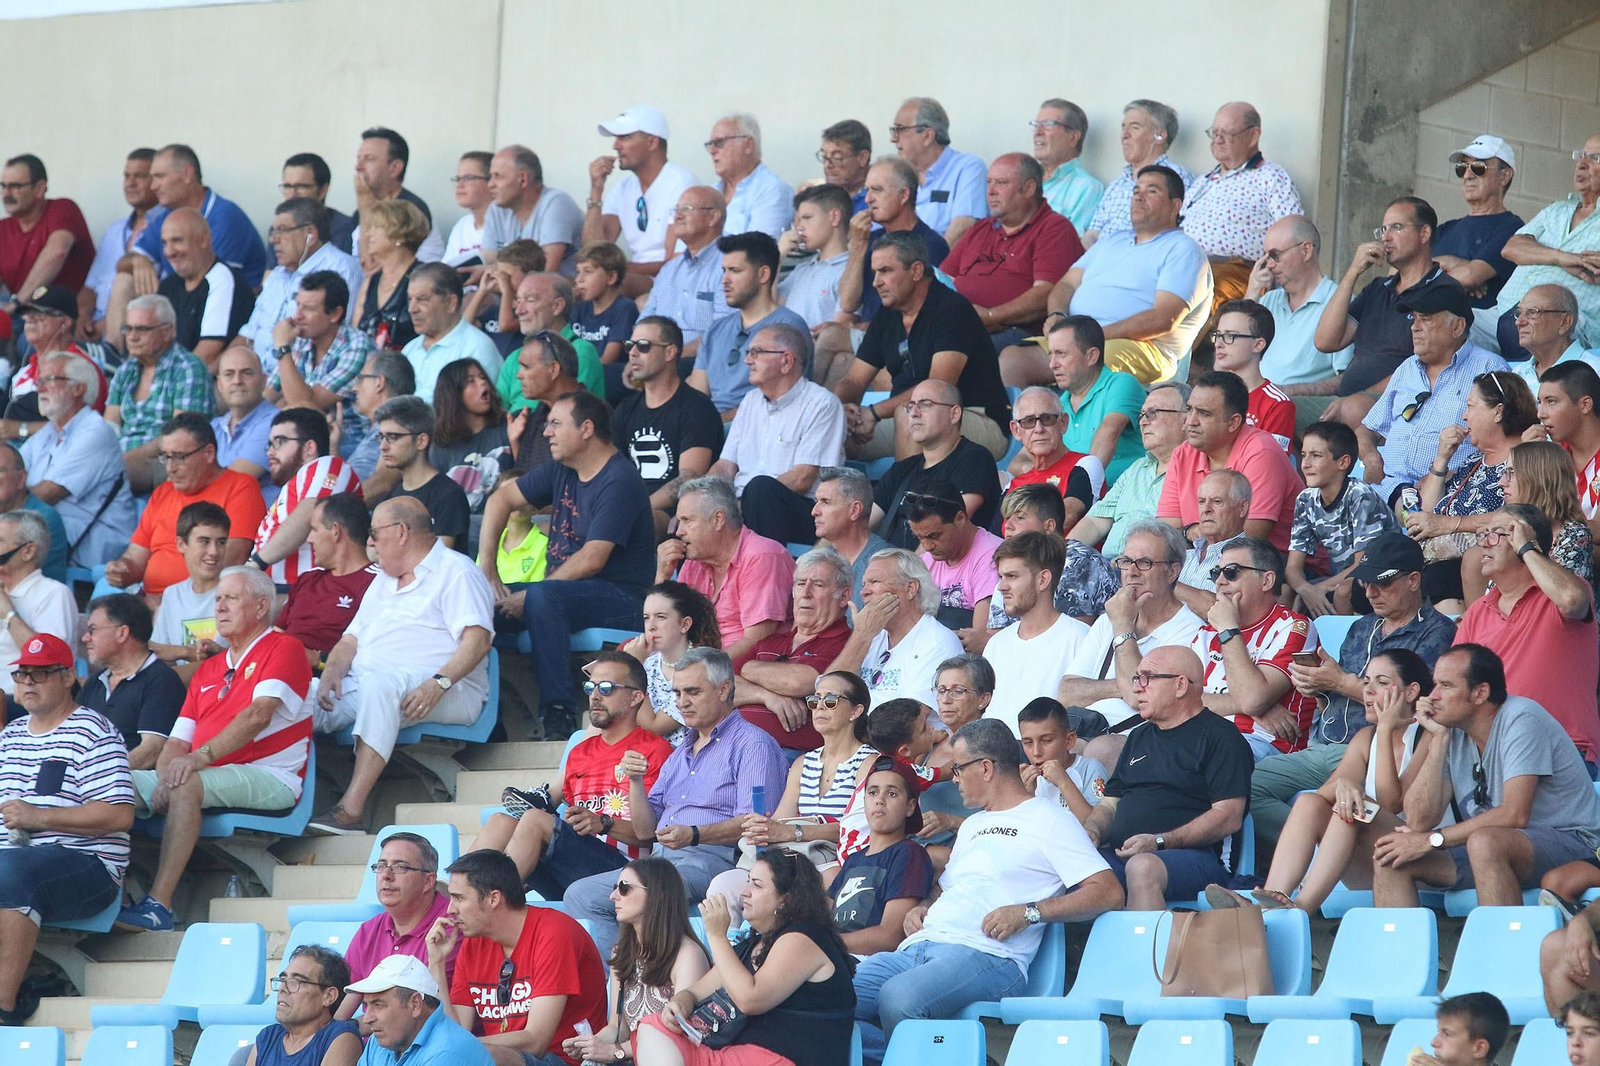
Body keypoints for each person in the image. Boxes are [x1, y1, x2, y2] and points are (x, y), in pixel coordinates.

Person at [851, 718, 1122, 1064]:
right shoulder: (974, 824)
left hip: (988, 955)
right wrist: (924, 905)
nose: (954, 777)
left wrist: (1029, 912)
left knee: (899, 999)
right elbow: (946, 887)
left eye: (958, 768)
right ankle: (940, 1054)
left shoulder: (1048, 819)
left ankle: (932, 1053)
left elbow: (1109, 891)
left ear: (986, 767)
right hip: (920, 946)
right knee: (827, 995)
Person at [116, 567, 313, 932]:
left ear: (261, 606)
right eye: (218, 599)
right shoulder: (209, 669)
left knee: (186, 784)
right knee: (109, 784)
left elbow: (257, 715)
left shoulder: (284, 647)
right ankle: (113, 895)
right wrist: (164, 777)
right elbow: (177, 741)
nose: (219, 607)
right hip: (208, 772)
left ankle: (159, 905)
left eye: (231, 599)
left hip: (272, 776)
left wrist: (198, 759)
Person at [564, 647, 789, 963]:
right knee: (581, 894)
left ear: (724, 689)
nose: (682, 701)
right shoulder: (681, 750)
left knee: (637, 889)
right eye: (677, 692)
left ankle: (647, 977)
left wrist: (694, 834)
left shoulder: (752, 744)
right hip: (664, 859)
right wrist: (635, 782)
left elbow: (754, 823)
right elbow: (646, 830)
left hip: (717, 860)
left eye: (693, 691)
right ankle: (624, 981)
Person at [1254, 532, 1458, 855]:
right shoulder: (1362, 626)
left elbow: (1414, 705)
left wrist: (1338, 682)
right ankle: (1323, 846)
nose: (1371, 592)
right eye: (1365, 583)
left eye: (1382, 583)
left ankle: (1322, 847)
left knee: (1268, 793)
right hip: (1324, 745)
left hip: (1376, 749)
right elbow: (1338, 694)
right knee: (1245, 788)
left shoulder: (1438, 632)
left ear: (1414, 580)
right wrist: (1319, 689)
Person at [311, 497, 494, 834]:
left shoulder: (457, 571)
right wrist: (331, 672)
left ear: (402, 532)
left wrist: (438, 683)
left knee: (382, 685)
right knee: (291, 696)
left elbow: (478, 641)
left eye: (374, 533)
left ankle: (350, 811)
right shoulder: (382, 580)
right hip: (367, 684)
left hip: (447, 690)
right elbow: (349, 641)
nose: (369, 542)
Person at [1368, 644, 1600, 907]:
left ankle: (1504, 947)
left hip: (1573, 845)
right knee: (1391, 856)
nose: (1432, 696)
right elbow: (1420, 820)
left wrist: (1434, 840)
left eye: (1446, 686)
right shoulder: (1452, 730)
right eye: (1434, 685)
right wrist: (1439, 739)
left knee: (1486, 842)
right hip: (1490, 848)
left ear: (1480, 693)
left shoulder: (1521, 718)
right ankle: (1404, 949)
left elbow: (1514, 814)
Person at [489, 391, 657, 735]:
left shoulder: (619, 479)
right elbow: (500, 498)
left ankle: (558, 712)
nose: (546, 432)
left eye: (555, 423)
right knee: (475, 602)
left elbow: (594, 558)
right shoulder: (560, 470)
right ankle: (491, 717)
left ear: (586, 429)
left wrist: (536, 592)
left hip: (622, 598)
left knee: (542, 597)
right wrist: (486, 570)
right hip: (565, 593)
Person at [0, 632, 134, 1025]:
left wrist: (38, 817)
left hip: (88, 866)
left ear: (68, 677)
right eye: (22, 674)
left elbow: (119, 814)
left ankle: (4, 1010)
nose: (27, 682)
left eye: (40, 674)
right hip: (18, 861)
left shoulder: (94, 731)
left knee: (11, 871)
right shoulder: (8, 738)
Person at [1248, 649, 1439, 913]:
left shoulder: (1429, 735)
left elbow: (1391, 802)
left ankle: (1303, 908)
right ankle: (1273, 899)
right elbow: (1323, 797)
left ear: (1410, 691)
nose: (1368, 690)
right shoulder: (1364, 738)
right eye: (1367, 681)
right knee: (1309, 802)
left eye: (1381, 683)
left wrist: (1384, 729)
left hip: (1425, 866)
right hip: (1378, 866)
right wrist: (1345, 785)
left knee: (1351, 812)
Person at [639, 847, 856, 1066]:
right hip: (736, 1055)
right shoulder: (752, 944)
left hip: (782, 1059)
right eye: (748, 881)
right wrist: (680, 1003)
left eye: (757, 885)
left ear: (786, 899)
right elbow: (696, 991)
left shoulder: (803, 938)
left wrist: (717, 936)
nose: (744, 891)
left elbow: (750, 1000)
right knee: (654, 1026)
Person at [481, 651, 674, 895]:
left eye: (606, 688)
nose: (594, 695)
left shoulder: (656, 750)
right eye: (590, 687)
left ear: (635, 697)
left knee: (534, 820)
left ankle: (486, 908)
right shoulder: (579, 753)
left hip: (627, 874)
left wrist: (602, 823)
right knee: (500, 823)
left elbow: (653, 834)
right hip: (575, 870)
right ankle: (459, 902)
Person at [1078, 646, 1253, 907]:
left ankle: (1147, 949)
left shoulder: (1222, 737)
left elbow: (1228, 817)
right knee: (1060, 864)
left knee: (1142, 867)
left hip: (1197, 860)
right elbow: (1110, 802)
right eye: (1136, 678)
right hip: (1123, 854)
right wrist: (1092, 830)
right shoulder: (1139, 736)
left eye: (1147, 678)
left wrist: (1158, 842)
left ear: (1180, 685)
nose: (1137, 687)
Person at [706, 668, 876, 916]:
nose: (819, 708)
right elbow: (781, 822)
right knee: (723, 888)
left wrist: (793, 831)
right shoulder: (803, 763)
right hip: (795, 859)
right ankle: (733, 951)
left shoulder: (869, 762)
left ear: (856, 711)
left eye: (830, 701)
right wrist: (762, 828)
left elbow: (861, 829)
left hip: (835, 862)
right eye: (815, 700)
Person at [836, 233, 1011, 461]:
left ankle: (906, 496)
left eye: (886, 271)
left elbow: (937, 387)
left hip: (976, 420)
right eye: (875, 272)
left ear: (916, 271)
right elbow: (854, 380)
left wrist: (874, 412)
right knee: (830, 432)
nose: (875, 281)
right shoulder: (887, 314)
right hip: (908, 418)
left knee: (914, 418)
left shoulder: (952, 309)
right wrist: (839, 408)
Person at [1034, 165, 1213, 386]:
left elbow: (1164, 318)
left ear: (1175, 205)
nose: (1139, 197)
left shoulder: (1184, 249)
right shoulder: (1111, 241)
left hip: (1143, 348)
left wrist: (1091, 336)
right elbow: (1066, 285)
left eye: (1152, 191)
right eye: (1136, 191)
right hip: (1080, 340)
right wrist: (1058, 315)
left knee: (1079, 363)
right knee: (1012, 359)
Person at [1453, 505, 1600, 764]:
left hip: (1562, 749)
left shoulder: (1564, 594)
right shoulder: (1478, 610)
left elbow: (1571, 599)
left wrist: (1527, 548)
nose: (1485, 544)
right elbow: (1454, 679)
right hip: (1493, 751)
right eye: (1483, 534)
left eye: (1497, 533)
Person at [432, 848, 608, 1066]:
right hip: (506, 1058)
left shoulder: (554, 933)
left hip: (567, 1061)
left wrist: (461, 1047)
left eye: (459, 898)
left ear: (493, 898)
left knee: (484, 1055)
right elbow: (456, 1031)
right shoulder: (473, 943)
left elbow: (536, 1040)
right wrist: (437, 964)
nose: (450, 909)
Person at [1358, 279, 1510, 500]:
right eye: (1414, 318)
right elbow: (1367, 429)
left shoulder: (1490, 369)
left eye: (1426, 319)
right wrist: (1371, 458)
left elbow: (1507, 444)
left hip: (1445, 495)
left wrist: (1452, 476)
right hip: (1387, 489)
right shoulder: (1407, 368)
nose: (1414, 327)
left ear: (1457, 327)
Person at [1316, 197, 1452, 431]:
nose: (1386, 237)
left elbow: (1429, 368)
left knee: (1351, 411)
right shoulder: (1378, 288)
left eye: (1397, 228)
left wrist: (1362, 396)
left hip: (1396, 404)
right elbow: (1326, 341)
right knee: (1275, 408)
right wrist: (1353, 272)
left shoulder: (1442, 291)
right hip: (1346, 400)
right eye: (1383, 229)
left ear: (1424, 233)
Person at [1057, 521, 1206, 734]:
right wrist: (1123, 686)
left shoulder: (1191, 631)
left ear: (1172, 572)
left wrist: (1122, 627)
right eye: (1126, 561)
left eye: (1145, 562)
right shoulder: (1108, 619)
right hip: (1080, 733)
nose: (1132, 572)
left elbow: (1139, 699)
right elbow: (1066, 692)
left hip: (1134, 746)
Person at [562, 857, 711, 1066]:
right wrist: (591, 1045)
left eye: (624, 888)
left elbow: (680, 1033)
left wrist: (615, 1053)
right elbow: (618, 1027)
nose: (613, 896)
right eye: (615, 887)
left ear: (656, 895)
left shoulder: (687, 955)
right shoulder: (622, 953)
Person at [1406, 370, 1535, 610]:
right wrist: (1442, 457)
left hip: (1472, 566)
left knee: (1438, 577)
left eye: (1470, 406)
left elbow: (1519, 514)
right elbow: (1425, 514)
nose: (1464, 416)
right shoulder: (1473, 460)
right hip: (1435, 563)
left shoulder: (1525, 459)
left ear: (1498, 411)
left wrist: (1447, 524)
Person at [104, 412, 268, 598]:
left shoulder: (240, 487)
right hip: (150, 603)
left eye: (179, 457)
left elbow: (229, 562)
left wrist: (170, 603)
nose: (170, 468)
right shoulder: (163, 492)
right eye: (166, 457)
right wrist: (122, 570)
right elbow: (135, 558)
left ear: (208, 453)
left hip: (203, 605)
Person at [713, 323, 846, 545]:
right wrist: (701, 497)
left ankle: (764, 574)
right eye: (748, 353)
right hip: (745, 505)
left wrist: (742, 504)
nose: (747, 360)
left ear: (786, 361)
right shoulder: (750, 401)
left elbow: (802, 478)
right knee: (692, 512)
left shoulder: (822, 404)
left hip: (801, 512)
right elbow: (725, 466)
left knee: (760, 489)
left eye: (756, 353)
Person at [1191, 536, 1320, 760]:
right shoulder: (1208, 632)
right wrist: (1251, 708)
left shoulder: (1293, 626)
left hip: (1265, 747)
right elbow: (1176, 698)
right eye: (1216, 573)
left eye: (1231, 572)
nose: (1220, 581)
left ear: (1267, 580)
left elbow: (1252, 698)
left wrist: (1229, 629)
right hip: (1203, 736)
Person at [942, 154, 1083, 351]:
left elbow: (1046, 294)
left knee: (951, 352)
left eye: (1001, 183)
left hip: (1015, 333)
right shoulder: (981, 228)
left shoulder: (1054, 228)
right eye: (989, 183)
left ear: (1029, 188)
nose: (990, 191)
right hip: (958, 326)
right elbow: (943, 278)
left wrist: (991, 316)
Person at [1158, 370, 1303, 552]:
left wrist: (1192, 536)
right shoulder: (1182, 454)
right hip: (1200, 562)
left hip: (1276, 567)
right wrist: (1189, 532)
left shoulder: (1261, 452)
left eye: (1204, 413)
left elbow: (1247, 539)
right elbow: (1166, 534)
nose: (1191, 421)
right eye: (1189, 409)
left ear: (1233, 422)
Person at [658, 476, 794, 664]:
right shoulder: (694, 560)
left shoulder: (762, 556)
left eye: (687, 520)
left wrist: (699, 669)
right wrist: (663, 576)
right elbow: (665, 627)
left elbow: (757, 640)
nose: (679, 531)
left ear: (718, 520)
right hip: (698, 662)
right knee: (627, 652)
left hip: (740, 668)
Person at [732, 553, 857, 752]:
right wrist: (768, 697)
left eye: (818, 585)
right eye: (800, 584)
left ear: (844, 596)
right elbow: (723, 689)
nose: (806, 593)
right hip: (733, 746)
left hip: (790, 758)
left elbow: (801, 682)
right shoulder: (770, 641)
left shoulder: (846, 644)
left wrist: (749, 669)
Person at [1492, 132, 1600, 361]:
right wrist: (1565, 259)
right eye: (1581, 156)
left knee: (1530, 325)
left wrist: (1538, 252)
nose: (1581, 164)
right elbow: (1512, 248)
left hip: (1566, 326)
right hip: (1503, 310)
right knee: (1447, 317)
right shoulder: (1557, 210)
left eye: (1594, 158)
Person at [613, 316, 722, 535]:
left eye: (643, 346)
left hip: (671, 513)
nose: (633, 353)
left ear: (670, 352)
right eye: (629, 346)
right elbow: (611, 470)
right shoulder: (626, 409)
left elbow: (689, 478)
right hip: (626, 507)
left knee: (633, 524)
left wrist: (637, 507)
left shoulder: (696, 407)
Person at [1243, 215, 1353, 432]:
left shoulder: (1340, 303)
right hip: (1252, 404)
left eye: (1275, 255)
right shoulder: (1266, 301)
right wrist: (1251, 294)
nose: (1270, 265)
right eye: (1265, 257)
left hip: (1295, 411)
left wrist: (1287, 390)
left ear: (1306, 250)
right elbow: (1231, 347)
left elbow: (1347, 380)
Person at [869, 378, 1002, 549]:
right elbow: (856, 527)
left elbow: (944, 529)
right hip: (891, 568)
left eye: (925, 404)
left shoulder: (975, 459)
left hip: (934, 572)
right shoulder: (902, 469)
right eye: (910, 406)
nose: (914, 413)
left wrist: (905, 574)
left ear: (954, 414)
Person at [338, 832, 458, 1023]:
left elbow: (421, 1015)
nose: (386, 875)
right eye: (381, 866)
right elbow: (343, 1005)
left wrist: (351, 1030)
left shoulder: (450, 928)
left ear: (428, 881)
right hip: (372, 1046)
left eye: (400, 867)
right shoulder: (368, 931)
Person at [690, 231, 811, 417]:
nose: (725, 280)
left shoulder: (789, 327)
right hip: (710, 432)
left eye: (735, 271)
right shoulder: (715, 329)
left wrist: (710, 426)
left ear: (763, 274)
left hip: (759, 430)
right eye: (724, 270)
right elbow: (696, 397)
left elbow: (779, 402)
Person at [1286, 419, 1398, 616]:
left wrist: (1318, 589)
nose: (1305, 464)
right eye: (1303, 455)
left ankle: (1344, 645)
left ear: (1343, 462)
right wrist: (1305, 589)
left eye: (1316, 456)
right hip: (1341, 577)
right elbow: (1293, 568)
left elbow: (1362, 564)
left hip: (1382, 574)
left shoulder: (1360, 495)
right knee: (1288, 591)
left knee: (1343, 592)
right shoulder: (1305, 499)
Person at [238, 198, 365, 367]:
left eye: (282, 231)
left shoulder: (342, 268)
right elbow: (249, 335)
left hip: (302, 380)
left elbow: (337, 339)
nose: (273, 240)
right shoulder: (277, 275)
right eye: (273, 232)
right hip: (256, 377)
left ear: (310, 235)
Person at [982, 533, 1088, 735]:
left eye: (1012, 576)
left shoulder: (1080, 638)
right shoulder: (996, 643)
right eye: (1001, 577)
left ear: (1042, 580)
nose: (1001, 587)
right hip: (991, 755)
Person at [104, 294, 213, 490]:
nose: (132, 336)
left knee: (107, 475)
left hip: (165, 460)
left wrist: (122, 461)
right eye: (128, 328)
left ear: (168, 332)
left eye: (142, 329)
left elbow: (182, 437)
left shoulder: (188, 368)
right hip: (120, 460)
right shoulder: (125, 371)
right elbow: (109, 426)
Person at [1180, 102, 1304, 273]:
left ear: (1253, 136)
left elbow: (1294, 232)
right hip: (1185, 266)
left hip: (1233, 273)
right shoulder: (1203, 181)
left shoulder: (1270, 176)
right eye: (1214, 133)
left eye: (1227, 134)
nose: (1217, 140)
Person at [1068, 383, 1190, 556]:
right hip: (1109, 569)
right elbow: (1095, 522)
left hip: (1153, 570)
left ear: (1186, 418)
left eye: (1153, 413)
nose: (1143, 422)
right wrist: (1063, 556)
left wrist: (1127, 563)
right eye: (1142, 415)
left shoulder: (1197, 470)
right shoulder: (1137, 468)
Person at [830, 549, 962, 710]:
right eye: (864, 584)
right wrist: (860, 636)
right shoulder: (870, 636)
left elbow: (910, 718)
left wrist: (847, 716)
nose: (864, 592)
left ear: (910, 588)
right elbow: (828, 695)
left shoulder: (937, 641)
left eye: (875, 581)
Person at [126, 206, 252, 370]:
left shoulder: (222, 280)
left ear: (204, 240)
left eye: (177, 241)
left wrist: (163, 382)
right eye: (165, 243)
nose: (169, 252)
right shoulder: (169, 285)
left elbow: (207, 354)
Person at [834, 157, 951, 332]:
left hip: (903, 338)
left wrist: (861, 328)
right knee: (838, 356)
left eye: (877, 190)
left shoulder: (930, 244)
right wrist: (858, 245)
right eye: (867, 190)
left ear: (904, 195)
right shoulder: (869, 239)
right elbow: (847, 303)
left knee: (831, 337)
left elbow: (922, 313)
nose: (867, 199)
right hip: (871, 338)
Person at [586, 104, 698, 283]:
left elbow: (675, 262)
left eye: (625, 137)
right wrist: (596, 191)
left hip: (668, 282)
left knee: (603, 285)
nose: (616, 145)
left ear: (652, 142)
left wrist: (620, 270)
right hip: (633, 278)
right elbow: (594, 252)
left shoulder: (681, 183)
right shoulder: (621, 189)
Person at [125, 143, 268, 283]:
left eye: (159, 177)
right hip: (182, 299)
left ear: (187, 174)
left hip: (223, 302)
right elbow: (123, 263)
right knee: (125, 280)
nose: (153, 186)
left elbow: (210, 282)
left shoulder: (225, 216)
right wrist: (138, 260)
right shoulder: (165, 215)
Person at [252, 407, 362, 588]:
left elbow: (311, 510)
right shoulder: (292, 487)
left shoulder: (330, 465)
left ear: (309, 447)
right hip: (273, 591)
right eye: (270, 444)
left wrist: (256, 563)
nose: (270, 452)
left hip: (300, 591)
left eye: (279, 442)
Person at [264, 269, 375, 441]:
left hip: (349, 442)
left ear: (335, 314)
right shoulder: (302, 338)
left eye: (308, 308)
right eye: (297, 304)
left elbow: (305, 406)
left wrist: (283, 348)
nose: (297, 316)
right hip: (309, 438)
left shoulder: (357, 347)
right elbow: (269, 395)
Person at [77, 593, 184, 769]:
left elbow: (151, 751)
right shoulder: (95, 682)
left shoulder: (161, 680)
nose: (85, 638)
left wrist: (98, 776)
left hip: (130, 785)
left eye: (93, 630)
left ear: (122, 633)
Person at [1039, 315, 1145, 484]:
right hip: (1079, 500)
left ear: (1091, 356)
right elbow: (1023, 459)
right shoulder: (1058, 405)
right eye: (1051, 354)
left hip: (1126, 500)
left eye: (1061, 354)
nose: (1052, 364)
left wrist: (1079, 489)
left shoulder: (1120, 383)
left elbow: (1109, 431)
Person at [1432, 136, 1523, 332]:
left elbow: (1469, 277)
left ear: (1504, 175)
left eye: (1478, 167)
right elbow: (1397, 273)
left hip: (1470, 333)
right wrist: (1450, 264)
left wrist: (1430, 272)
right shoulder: (1445, 229)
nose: (1467, 175)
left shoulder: (1513, 228)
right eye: (1462, 168)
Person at [994, 483, 1119, 625]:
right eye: (1008, 518)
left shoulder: (1080, 561)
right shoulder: (1010, 566)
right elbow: (997, 631)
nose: (1007, 526)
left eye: (1020, 518)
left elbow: (1074, 633)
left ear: (1049, 527)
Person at [275, 494, 379, 664]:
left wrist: (318, 660)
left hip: (327, 680)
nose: (309, 539)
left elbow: (374, 656)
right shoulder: (308, 579)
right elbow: (277, 634)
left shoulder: (377, 583)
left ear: (335, 531)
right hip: (278, 670)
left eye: (314, 529)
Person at [1083, 99, 1195, 247]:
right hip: (1101, 262)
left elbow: (1180, 233)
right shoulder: (1118, 183)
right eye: (1123, 128)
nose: (1124, 135)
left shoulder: (1176, 177)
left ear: (1160, 136)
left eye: (1134, 127)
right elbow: (1092, 234)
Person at [622, 581, 721, 747]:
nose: (651, 627)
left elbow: (653, 727)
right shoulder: (648, 663)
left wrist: (632, 668)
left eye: (661, 617)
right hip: (638, 753)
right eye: (646, 618)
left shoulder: (699, 668)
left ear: (684, 624)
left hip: (679, 760)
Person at [348, 955, 492, 1066]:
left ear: (415, 1004)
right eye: (366, 1005)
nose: (367, 1019)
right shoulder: (380, 1040)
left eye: (378, 1005)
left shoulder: (447, 1053)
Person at [369, 396, 470, 550]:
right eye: (381, 437)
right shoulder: (391, 497)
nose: (383, 446)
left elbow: (439, 559)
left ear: (421, 441)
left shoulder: (449, 495)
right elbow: (372, 551)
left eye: (393, 437)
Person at [638, 187, 729, 358]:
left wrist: (672, 357)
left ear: (713, 217)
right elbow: (644, 323)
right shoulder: (669, 270)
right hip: (660, 362)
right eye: (676, 210)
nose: (677, 216)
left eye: (686, 209)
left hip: (702, 363)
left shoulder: (729, 266)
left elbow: (724, 330)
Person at [496, 271, 604, 409]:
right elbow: (498, 412)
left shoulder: (579, 352)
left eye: (530, 300)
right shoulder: (514, 357)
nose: (519, 311)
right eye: (518, 301)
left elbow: (570, 412)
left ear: (557, 306)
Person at [903, 480, 1001, 632]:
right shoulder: (926, 561)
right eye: (920, 538)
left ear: (960, 518)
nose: (927, 546)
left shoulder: (993, 557)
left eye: (934, 536)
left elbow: (980, 637)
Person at [777, 185, 852, 378]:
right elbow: (768, 305)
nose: (800, 227)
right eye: (798, 220)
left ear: (834, 217)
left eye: (807, 218)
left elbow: (838, 330)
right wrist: (779, 254)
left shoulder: (850, 271)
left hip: (813, 363)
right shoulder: (802, 269)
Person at [401, 263, 502, 405]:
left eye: (422, 299)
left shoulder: (477, 347)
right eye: (410, 299)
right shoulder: (409, 349)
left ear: (450, 303)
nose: (412, 309)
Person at [889, 97, 987, 243]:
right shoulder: (898, 176)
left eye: (900, 129)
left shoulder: (968, 168)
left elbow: (963, 230)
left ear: (928, 136)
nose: (893, 138)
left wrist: (926, 265)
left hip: (937, 263)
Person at [245, 945, 361, 1066]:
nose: (282, 988)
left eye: (296, 982)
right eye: (283, 979)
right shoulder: (268, 1037)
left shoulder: (341, 1036)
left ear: (329, 996)